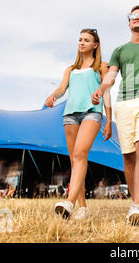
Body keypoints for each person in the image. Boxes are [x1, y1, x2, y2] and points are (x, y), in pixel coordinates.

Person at [91, 5, 139, 225]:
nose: (136, 19)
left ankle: (138, 205)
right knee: (128, 155)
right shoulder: (119, 50)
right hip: (124, 103)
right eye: (132, 16)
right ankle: (135, 201)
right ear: (128, 23)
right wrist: (101, 89)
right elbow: (111, 76)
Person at [47, 28, 112, 220]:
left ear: (95, 45)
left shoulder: (101, 66)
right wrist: (53, 96)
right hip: (70, 115)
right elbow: (61, 88)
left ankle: (69, 202)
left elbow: (106, 92)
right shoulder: (71, 69)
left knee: (80, 154)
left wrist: (108, 120)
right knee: (75, 162)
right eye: (80, 39)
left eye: (86, 40)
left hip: (92, 113)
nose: (82, 43)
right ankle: (82, 208)